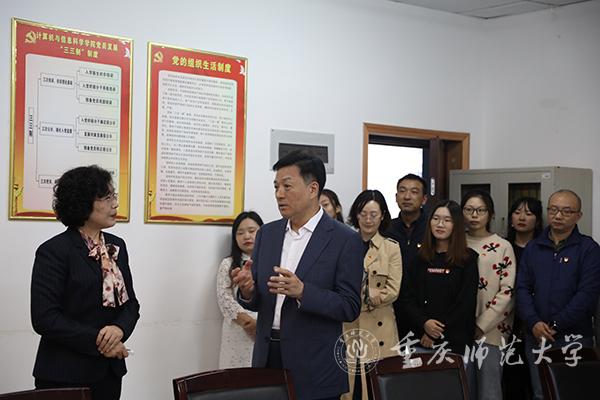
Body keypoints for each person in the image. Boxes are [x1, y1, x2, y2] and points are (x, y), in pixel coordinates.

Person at [232, 150, 363, 400]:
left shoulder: (345, 239)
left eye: (287, 186)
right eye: (276, 187)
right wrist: (248, 291)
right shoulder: (267, 234)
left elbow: (349, 306)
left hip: (315, 366)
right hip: (267, 358)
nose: (279, 194)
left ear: (313, 189)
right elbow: (258, 299)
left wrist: (303, 292)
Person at [31, 165, 140, 400]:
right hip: (65, 374)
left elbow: (131, 305)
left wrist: (119, 329)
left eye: (114, 196)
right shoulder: (54, 251)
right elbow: (45, 318)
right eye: (107, 197)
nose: (115, 204)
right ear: (82, 202)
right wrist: (101, 341)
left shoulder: (116, 246)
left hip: (109, 373)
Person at [517, 189, 600, 400]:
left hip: (574, 337)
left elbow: (587, 294)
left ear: (578, 216)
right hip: (536, 336)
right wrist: (534, 323)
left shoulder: (588, 248)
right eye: (553, 210)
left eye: (566, 211)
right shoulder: (533, 247)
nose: (558, 215)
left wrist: (555, 324)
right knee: (540, 393)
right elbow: (522, 288)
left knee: (572, 393)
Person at [343, 190, 402, 400]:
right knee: (348, 387)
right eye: (363, 214)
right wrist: (368, 291)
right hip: (348, 325)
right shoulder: (343, 244)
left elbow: (393, 290)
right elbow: (336, 286)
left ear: (382, 216)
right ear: (356, 215)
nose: (368, 219)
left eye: (374, 214)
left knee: (377, 389)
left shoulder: (391, 248)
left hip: (381, 329)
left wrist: (357, 293)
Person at [400, 200, 479, 355]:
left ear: (456, 225)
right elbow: (407, 297)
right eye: (435, 219)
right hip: (420, 338)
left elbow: (465, 303)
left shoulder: (467, 259)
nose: (440, 224)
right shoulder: (418, 258)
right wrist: (424, 323)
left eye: (447, 220)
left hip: (454, 342)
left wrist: (434, 333)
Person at [462, 189, 515, 400]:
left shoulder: (503, 246)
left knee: (489, 390)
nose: (474, 215)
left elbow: (508, 292)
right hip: (459, 328)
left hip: (492, 331)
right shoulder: (455, 242)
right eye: (469, 210)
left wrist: (481, 325)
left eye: (480, 210)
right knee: (462, 387)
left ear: (490, 214)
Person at [502, 197, 543, 400]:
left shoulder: (543, 248)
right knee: (511, 380)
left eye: (528, 213)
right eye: (517, 213)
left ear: (538, 220)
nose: (522, 218)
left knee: (538, 382)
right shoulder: (503, 247)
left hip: (537, 321)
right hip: (507, 322)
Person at [217, 211, 263, 368]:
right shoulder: (228, 264)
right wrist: (249, 323)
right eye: (240, 233)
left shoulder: (273, 262)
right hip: (237, 331)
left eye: (252, 231)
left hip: (265, 331)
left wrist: (260, 326)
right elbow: (225, 300)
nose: (246, 236)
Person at [385, 174, 428, 339]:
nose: (407, 196)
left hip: (424, 309)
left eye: (414, 192)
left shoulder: (432, 228)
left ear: (424, 199)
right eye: (402, 191)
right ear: (396, 197)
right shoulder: (387, 228)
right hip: (392, 306)